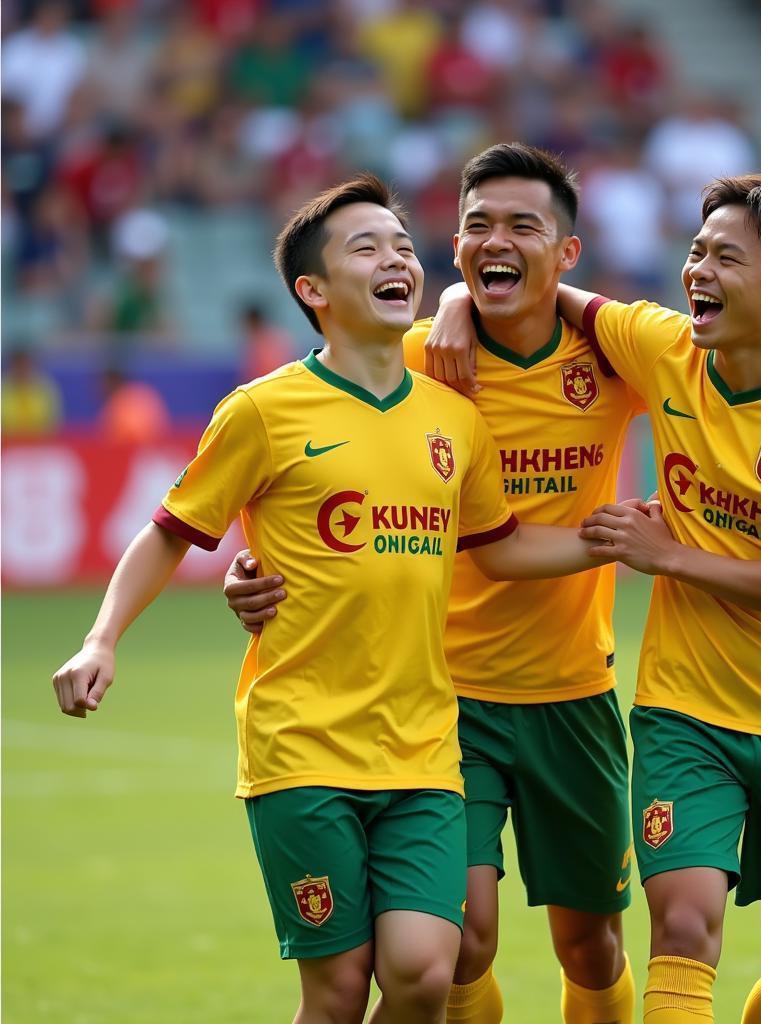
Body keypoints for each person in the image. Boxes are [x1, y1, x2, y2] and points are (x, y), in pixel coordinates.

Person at [224, 146, 761, 1024]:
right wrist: (252, 566)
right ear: (453, 246)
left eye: (523, 227)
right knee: (464, 943)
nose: (497, 242)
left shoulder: (620, 352)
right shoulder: (410, 355)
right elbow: (298, 442)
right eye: (478, 227)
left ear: (566, 254)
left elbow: (740, 343)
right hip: (443, 700)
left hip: (578, 690)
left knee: (598, 945)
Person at [51, 174, 606, 1024]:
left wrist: (626, 543)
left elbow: (501, 549)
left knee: (426, 971)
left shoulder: (455, 419)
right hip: (302, 743)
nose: (395, 259)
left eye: (399, 244)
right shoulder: (265, 411)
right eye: (365, 247)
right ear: (314, 290)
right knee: (340, 990)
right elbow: (171, 529)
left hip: (423, 747)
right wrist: (102, 639)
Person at [563, 173, 761, 1023]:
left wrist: (673, 557)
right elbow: (548, 289)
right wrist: (446, 311)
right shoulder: (667, 349)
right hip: (683, 710)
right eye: (696, 251)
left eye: (724, 257)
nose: (696, 267)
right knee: (684, 926)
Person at [1, 346, 63, 437]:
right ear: (12, 367)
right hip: (7, 441)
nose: (22, 370)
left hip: (40, 441)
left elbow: (54, 421)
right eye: (18, 366)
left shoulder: (45, 388)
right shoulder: (3, 388)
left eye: (25, 365)